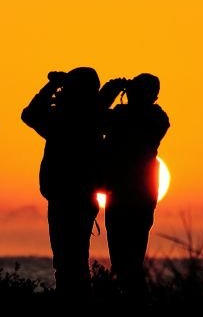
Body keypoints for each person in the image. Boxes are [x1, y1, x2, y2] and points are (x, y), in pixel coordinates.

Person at [22, 67, 114, 293]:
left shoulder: (64, 121)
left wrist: (52, 85)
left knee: (65, 260)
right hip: (81, 196)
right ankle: (78, 298)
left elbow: (30, 114)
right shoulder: (95, 116)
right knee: (75, 258)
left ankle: (71, 301)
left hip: (65, 197)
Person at [102, 73, 170, 298]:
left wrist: (109, 93)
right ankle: (130, 297)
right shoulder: (152, 117)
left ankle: (131, 298)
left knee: (130, 254)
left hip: (132, 191)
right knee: (122, 254)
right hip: (128, 190)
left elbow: (96, 117)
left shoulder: (154, 118)